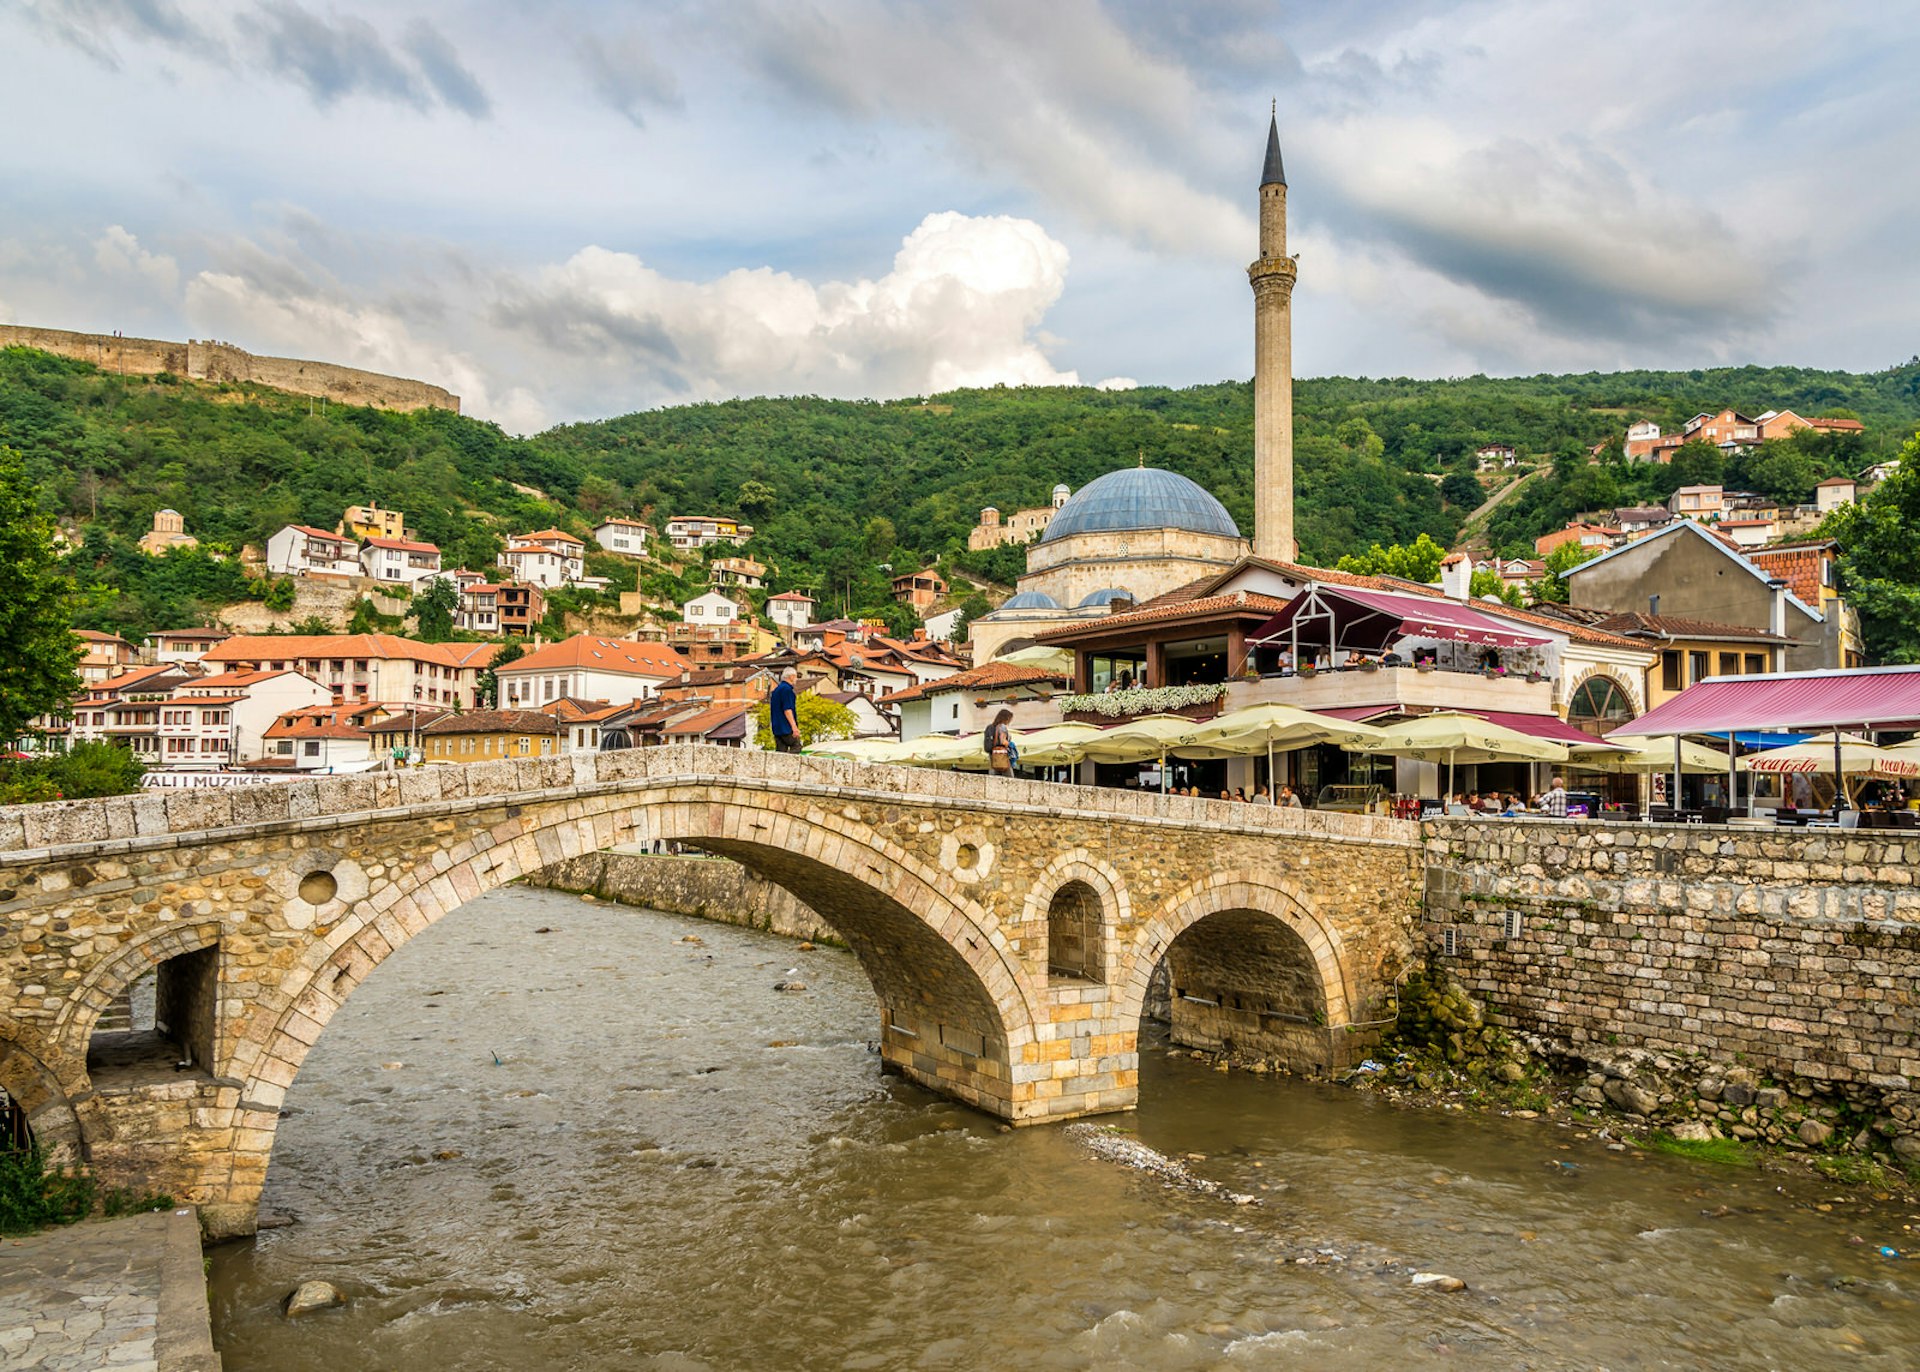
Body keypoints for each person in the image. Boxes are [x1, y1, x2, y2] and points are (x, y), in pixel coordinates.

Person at [769, 668, 801, 754]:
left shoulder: (776, 690)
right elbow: (787, 709)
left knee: (781, 751)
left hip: (777, 727)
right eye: (795, 677)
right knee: (796, 746)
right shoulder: (787, 690)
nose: (796, 679)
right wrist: (794, 727)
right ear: (791, 677)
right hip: (786, 727)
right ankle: (790, 766)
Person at [983, 707, 1017, 775]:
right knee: (1009, 777)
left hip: (993, 754)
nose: (1010, 721)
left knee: (994, 774)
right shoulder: (1002, 727)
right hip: (1002, 754)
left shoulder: (991, 727)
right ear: (1006, 718)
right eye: (1010, 719)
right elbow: (1003, 741)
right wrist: (1011, 745)